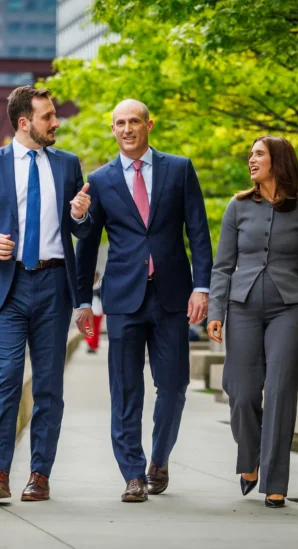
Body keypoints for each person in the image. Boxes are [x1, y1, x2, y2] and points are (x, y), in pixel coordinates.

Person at [75, 99, 213, 502]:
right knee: (125, 388)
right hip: (122, 298)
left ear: (149, 124)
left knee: (174, 385)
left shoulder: (180, 169)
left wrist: (201, 288)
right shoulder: (99, 181)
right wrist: (83, 299)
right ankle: (132, 474)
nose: (127, 128)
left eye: (134, 121)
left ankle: (160, 457)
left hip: (172, 295)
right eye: (120, 123)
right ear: (113, 130)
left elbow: (199, 233)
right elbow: (86, 245)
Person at [0, 86, 92, 502]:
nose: (56, 123)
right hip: (6, 286)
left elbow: (82, 230)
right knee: (7, 379)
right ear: (24, 122)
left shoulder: (69, 165)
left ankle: (39, 475)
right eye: (48, 116)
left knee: (50, 386)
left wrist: (80, 215)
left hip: (54, 286)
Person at [207, 135, 298, 508]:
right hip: (241, 307)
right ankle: (250, 456)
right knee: (241, 391)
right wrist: (215, 310)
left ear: (279, 161)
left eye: (259, 154)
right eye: (250, 154)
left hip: (289, 310)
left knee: (279, 392)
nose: (251, 159)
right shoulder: (238, 206)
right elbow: (223, 265)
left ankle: (275, 481)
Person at [85, 271, 103, 354]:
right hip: (87, 311)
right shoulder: (87, 287)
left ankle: (94, 346)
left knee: (95, 330)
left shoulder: (99, 288)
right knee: (88, 329)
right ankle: (89, 344)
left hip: (97, 312)